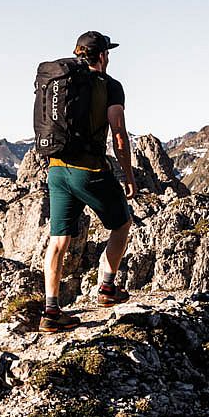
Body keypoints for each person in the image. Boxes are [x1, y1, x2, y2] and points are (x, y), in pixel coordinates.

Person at [40, 30, 136, 332]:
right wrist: (128, 174)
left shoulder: (60, 82)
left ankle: (51, 311)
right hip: (89, 171)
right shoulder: (109, 86)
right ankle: (107, 289)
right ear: (103, 55)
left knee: (58, 241)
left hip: (56, 170)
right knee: (121, 224)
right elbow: (118, 134)